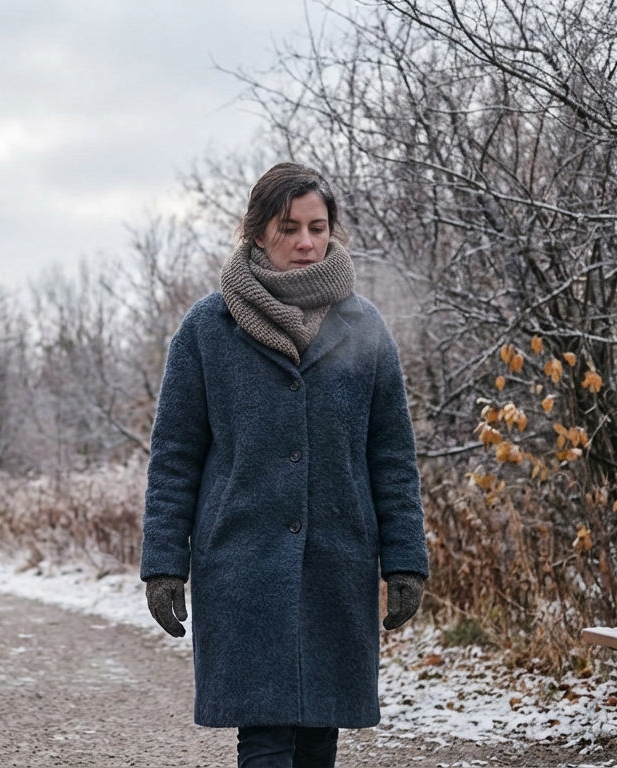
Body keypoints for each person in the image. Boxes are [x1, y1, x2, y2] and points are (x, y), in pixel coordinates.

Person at [140, 163, 429, 768]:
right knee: (266, 737)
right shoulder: (207, 329)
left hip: (337, 558)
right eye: (288, 228)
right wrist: (164, 564)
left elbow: (392, 456)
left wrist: (405, 559)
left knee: (320, 732)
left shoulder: (364, 326)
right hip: (242, 563)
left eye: (317, 228)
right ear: (257, 232)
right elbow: (174, 458)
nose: (305, 242)